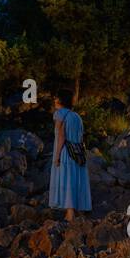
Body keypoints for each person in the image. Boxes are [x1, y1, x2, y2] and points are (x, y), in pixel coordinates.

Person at [49, 88, 91, 221]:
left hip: (66, 152)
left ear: (61, 100)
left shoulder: (60, 114)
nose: (54, 100)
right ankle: (75, 211)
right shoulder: (76, 116)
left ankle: (70, 213)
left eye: (56, 97)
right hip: (77, 153)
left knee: (66, 180)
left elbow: (61, 136)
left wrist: (56, 157)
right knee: (75, 179)